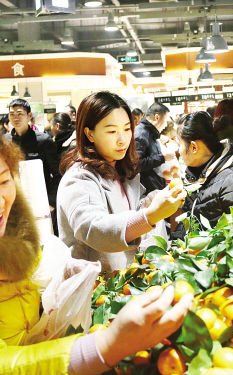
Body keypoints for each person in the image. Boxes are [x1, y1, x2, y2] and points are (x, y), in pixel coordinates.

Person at [0, 115, 193, 375]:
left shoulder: (18, 237)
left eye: (3, 181)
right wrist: (106, 345)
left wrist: (58, 279)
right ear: (88, 133)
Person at [57, 91, 186, 272]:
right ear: (89, 134)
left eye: (127, 129)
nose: (122, 139)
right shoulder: (79, 178)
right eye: (111, 131)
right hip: (96, 287)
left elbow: (129, 208)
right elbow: (93, 228)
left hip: (126, 281)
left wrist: (152, 200)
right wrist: (150, 215)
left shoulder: (120, 168)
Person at [171, 111, 233, 240]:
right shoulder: (194, 175)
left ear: (193, 147)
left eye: (179, 144)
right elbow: (186, 223)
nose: (178, 150)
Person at [7, 98, 61, 211]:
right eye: (12, 114)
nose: (15, 118)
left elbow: (57, 174)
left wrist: (51, 201)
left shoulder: (43, 140)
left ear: (29, 115)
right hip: (13, 202)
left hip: (40, 201)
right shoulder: (4, 141)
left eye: (20, 114)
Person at [135, 102, 176, 194]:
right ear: (157, 117)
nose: (165, 125)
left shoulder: (149, 132)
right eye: (165, 121)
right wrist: (163, 157)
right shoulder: (141, 134)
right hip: (146, 190)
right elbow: (137, 164)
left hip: (154, 185)